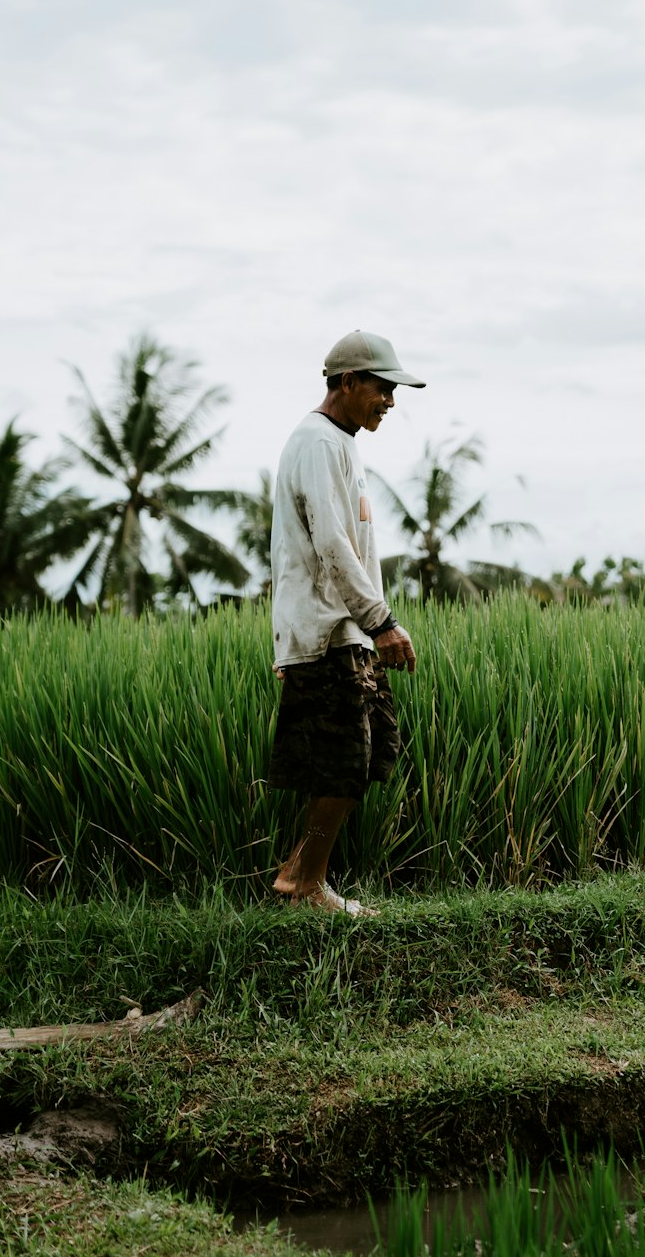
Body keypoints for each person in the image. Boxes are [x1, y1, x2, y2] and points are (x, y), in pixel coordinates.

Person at [268, 329, 425, 915]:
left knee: (364, 755)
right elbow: (330, 545)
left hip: (341, 632)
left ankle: (302, 875)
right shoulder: (316, 442)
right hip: (331, 631)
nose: (389, 400)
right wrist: (381, 621)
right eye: (382, 388)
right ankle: (301, 883)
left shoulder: (340, 443)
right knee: (340, 763)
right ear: (348, 382)